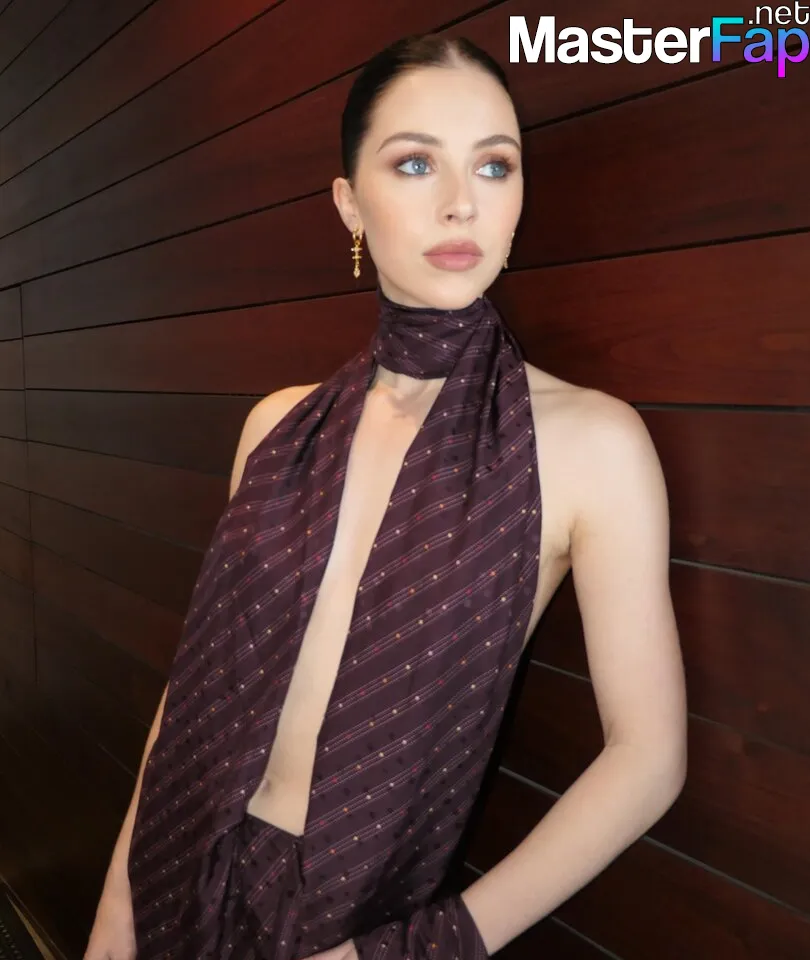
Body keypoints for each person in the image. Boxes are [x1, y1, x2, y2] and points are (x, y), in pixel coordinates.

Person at [84, 33, 687, 960]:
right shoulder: (277, 427)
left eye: (494, 165)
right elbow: (196, 683)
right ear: (349, 204)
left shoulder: (591, 444)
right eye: (414, 163)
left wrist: (424, 949)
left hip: (352, 919)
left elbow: (647, 757)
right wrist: (116, 909)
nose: (461, 202)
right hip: (174, 863)